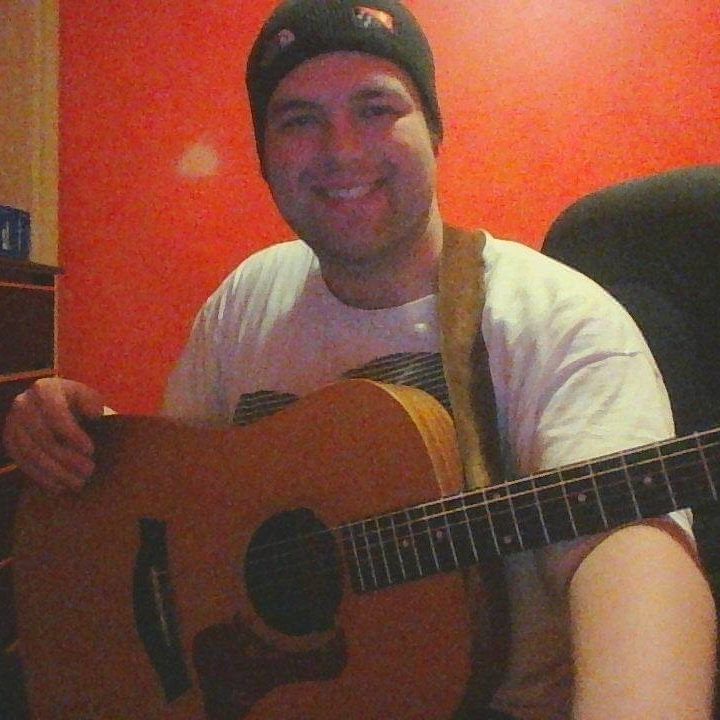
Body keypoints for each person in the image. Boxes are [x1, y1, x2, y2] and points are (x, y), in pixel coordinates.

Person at [3, 1, 716, 718]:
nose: (341, 151)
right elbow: (178, 504)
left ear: (434, 130)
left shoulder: (559, 322)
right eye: (299, 119)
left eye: (376, 109)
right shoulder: (246, 300)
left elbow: (632, 553)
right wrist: (80, 434)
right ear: (264, 156)